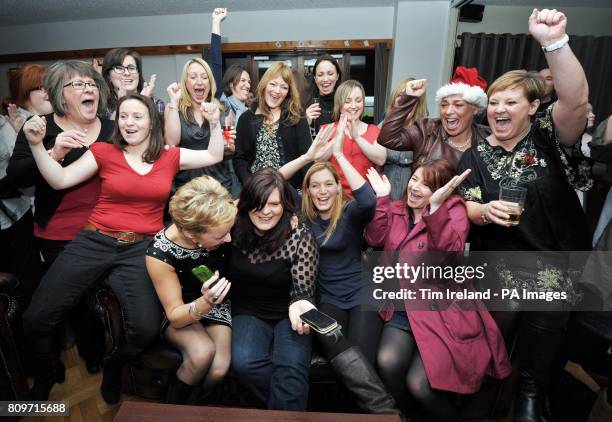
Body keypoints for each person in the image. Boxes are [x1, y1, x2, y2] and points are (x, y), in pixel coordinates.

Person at [20, 93, 224, 403]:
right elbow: (60, 180)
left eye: (137, 116)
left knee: (145, 330)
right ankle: (46, 375)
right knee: (36, 317)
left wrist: (214, 121)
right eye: (124, 116)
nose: (129, 122)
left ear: (151, 122)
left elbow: (214, 155)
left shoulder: (169, 156)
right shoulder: (103, 151)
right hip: (94, 240)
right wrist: (37, 145)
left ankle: (114, 364)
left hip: (140, 250)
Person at [456, 9, 592, 422]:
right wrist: (482, 210)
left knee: (541, 342)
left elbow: (576, 100)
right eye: (493, 102)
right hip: (498, 264)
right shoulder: (476, 154)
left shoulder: (550, 136)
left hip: (555, 262)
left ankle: (532, 394)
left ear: (533, 107)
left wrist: (554, 42)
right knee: (494, 344)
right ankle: (491, 395)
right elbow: (466, 205)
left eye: (510, 102)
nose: (498, 109)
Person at [365, 160, 511, 421]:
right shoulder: (398, 210)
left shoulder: (453, 211)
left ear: (441, 191)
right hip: (401, 307)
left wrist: (435, 210)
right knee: (387, 362)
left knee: (419, 385)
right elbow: (374, 238)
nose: (415, 187)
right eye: (414, 179)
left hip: (440, 313)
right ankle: (405, 417)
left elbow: (447, 254)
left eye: (426, 184)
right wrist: (382, 199)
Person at [277, 114, 397, 414]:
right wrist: (308, 156)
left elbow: (369, 200)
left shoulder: (351, 213)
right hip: (328, 299)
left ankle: (374, 415)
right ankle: (383, 412)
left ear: (337, 187)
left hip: (361, 294)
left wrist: (340, 155)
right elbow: (271, 182)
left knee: (362, 358)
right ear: (307, 190)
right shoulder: (303, 218)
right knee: (337, 352)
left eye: (328, 184)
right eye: (314, 186)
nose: (322, 191)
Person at [7, 60, 113, 377]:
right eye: (78, 84)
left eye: (91, 83)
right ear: (59, 94)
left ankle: (99, 355)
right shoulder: (41, 128)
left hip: (107, 231)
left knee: (102, 303)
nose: (88, 88)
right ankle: (73, 359)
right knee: (73, 302)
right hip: (59, 235)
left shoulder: (111, 128)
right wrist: (51, 152)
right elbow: (16, 178)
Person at [226, 168, 318, 410]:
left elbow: (302, 289)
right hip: (247, 310)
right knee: (244, 363)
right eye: (259, 203)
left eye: (274, 204)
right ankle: (289, 405)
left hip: (288, 311)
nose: (266, 212)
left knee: (292, 368)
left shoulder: (298, 235)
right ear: (246, 203)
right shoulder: (231, 227)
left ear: (285, 206)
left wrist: (302, 303)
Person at [146, 175, 236, 404]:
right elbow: (176, 316)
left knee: (218, 368)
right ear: (190, 233)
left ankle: (196, 408)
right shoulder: (159, 254)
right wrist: (205, 302)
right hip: (182, 309)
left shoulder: (222, 216)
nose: (228, 239)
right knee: (202, 353)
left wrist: (289, 215)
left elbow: (260, 195)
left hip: (216, 302)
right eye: (219, 236)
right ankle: (173, 410)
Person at [378, 66, 489, 171]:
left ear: (475, 109)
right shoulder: (427, 130)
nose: (448, 111)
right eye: (444, 104)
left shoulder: (487, 137)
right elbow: (387, 138)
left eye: (458, 105)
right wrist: (407, 98)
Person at [233, 62, 312, 189]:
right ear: (264, 84)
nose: (277, 91)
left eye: (284, 87)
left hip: (290, 192)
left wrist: (308, 189)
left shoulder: (297, 117)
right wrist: (249, 185)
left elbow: (307, 157)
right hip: (257, 192)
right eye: (273, 84)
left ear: (289, 91)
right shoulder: (246, 119)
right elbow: (239, 159)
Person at [164, 56, 236, 193]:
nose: (199, 82)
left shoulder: (223, 108)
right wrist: (174, 103)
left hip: (218, 186)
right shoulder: (173, 108)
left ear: (210, 82)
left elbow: (228, 150)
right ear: (185, 82)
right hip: (186, 189)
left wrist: (228, 145)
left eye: (204, 77)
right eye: (193, 77)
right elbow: (171, 142)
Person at [323, 80, 386, 196]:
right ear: (339, 104)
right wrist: (338, 135)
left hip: (365, 196)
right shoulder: (328, 129)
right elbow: (318, 160)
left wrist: (357, 137)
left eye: (358, 101)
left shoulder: (374, 130)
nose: (353, 106)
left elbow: (381, 159)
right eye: (347, 101)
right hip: (334, 196)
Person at [381, 77, 429, 200]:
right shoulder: (383, 127)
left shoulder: (424, 131)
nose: (406, 103)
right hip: (384, 190)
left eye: (410, 99)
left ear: (418, 103)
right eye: (402, 97)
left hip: (413, 194)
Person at [101, 48, 161, 119]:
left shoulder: (155, 103)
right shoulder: (102, 106)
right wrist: (120, 104)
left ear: (138, 73)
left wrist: (142, 101)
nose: (127, 73)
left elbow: (157, 129)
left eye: (131, 68)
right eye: (119, 68)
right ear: (108, 76)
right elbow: (109, 129)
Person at [304, 54, 342, 135]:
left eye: (330, 74)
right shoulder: (306, 105)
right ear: (315, 78)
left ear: (337, 76)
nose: (325, 79)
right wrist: (304, 123)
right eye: (320, 75)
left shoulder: (345, 103)